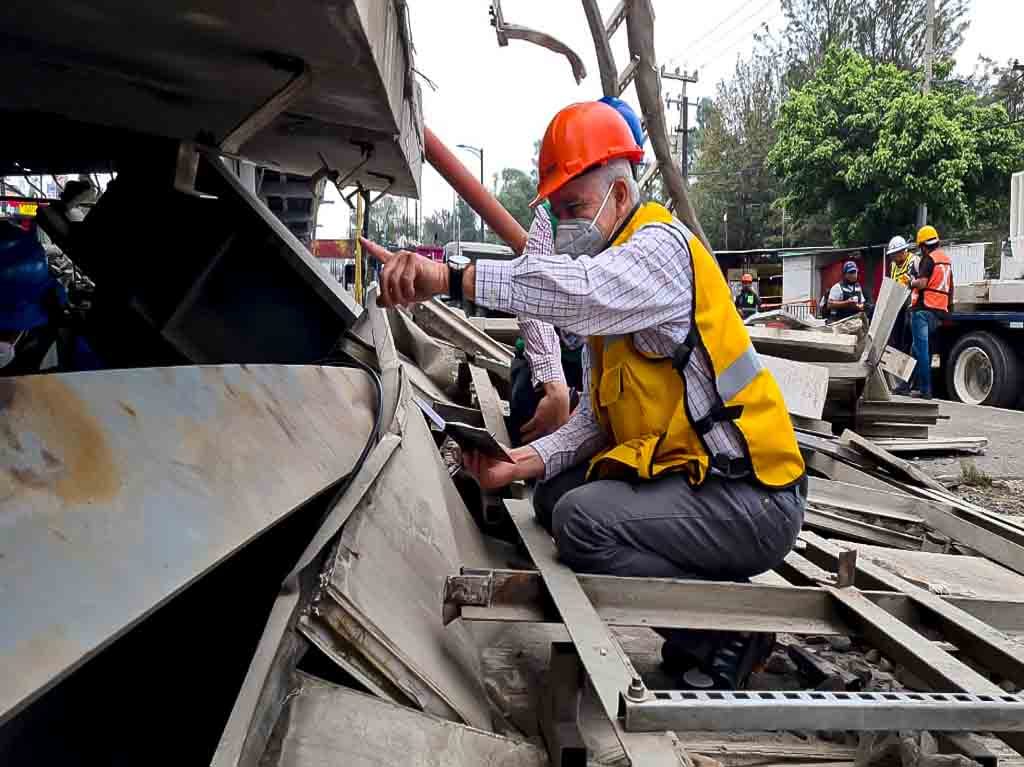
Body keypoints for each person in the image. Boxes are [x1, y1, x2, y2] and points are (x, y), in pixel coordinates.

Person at [367, 100, 807, 690]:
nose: (564, 223)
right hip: (695, 479)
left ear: (620, 197)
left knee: (582, 523)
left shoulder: (659, 253)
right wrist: (517, 465)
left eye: (573, 207)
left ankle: (724, 634)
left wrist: (448, 276)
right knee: (554, 494)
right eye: (557, 208)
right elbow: (595, 422)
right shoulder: (616, 282)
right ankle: (708, 605)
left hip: (751, 497)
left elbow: (577, 293)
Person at [509, 98, 646, 446]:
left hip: (608, 373)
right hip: (552, 364)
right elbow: (532, 295)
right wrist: (554, 385)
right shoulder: (550, 219)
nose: (568, 218)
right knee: (533, 408)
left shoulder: (645, 236)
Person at [907, 225, 953, 399]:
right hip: (939, 311)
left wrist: (911, 282)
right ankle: (906, 384)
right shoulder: (946, 260)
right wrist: (948, 311)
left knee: (922, 351)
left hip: (923, 310)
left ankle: (925, 390)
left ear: (923, 245)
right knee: (915, 349)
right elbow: (951, 288)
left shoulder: (928, 259)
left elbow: (923, 283)